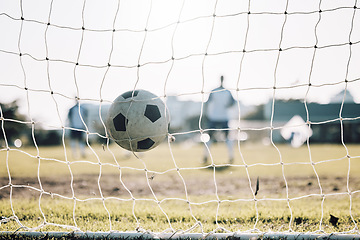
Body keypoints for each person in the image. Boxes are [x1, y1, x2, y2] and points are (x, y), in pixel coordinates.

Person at [203, 75, 235, 164]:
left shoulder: (219, 91)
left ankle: (231, 157)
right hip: (218, 117)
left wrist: (206, 114)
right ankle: (230, 157)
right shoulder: (223, 91)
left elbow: (207, 103)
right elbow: (232, 103)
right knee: (212, 138)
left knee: (224, 138)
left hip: (217, 117)